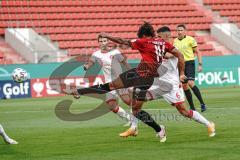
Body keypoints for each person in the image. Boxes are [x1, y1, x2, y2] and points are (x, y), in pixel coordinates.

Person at [67, 22, 185, 142]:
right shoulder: (163, 43)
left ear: (143, 34)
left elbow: (121, 41)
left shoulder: (143, 42)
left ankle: (159, 129)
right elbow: (180, 55)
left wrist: (107, 36)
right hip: (139, 73)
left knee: (135, 109)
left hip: (144, 79)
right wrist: (181, 73)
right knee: (112, 86)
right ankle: (79, 91)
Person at [120, 26, 215, 139]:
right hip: (157, 83)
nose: (157, 39)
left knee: (184, 112)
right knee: (135, 96)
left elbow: (172, 55)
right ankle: (134, 127)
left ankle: (209, 124)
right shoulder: (157, 47)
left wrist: (181, 74)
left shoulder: (172, 49)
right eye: (156, 36)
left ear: (167, 36)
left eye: (159, 37)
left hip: (171, 85)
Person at [82, 36, 138, 131]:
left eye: (105, 41)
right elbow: (91, 62)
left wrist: (132, 74)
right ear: (98, 43)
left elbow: (125, 63)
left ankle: (139, 118)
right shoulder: (96, 54)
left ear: (108, 42)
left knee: (128, 101)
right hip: (109, 83)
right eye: (101, 41)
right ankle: (129, 119)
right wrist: (86, 66)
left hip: (119, 81)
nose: (103, 43)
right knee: (111, 106)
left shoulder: (115, 52)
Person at [174, 24, 207, 112]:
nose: (179, 32)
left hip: (189, 63)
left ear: (185, 31)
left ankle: (202, 103)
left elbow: (198, 52)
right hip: (180, 65)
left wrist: (200, 64)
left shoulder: (190, 39)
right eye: (178, 30)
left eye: (181, 30)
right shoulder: (175, 41)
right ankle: (192, 107)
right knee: (184, 86)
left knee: (190, 83)